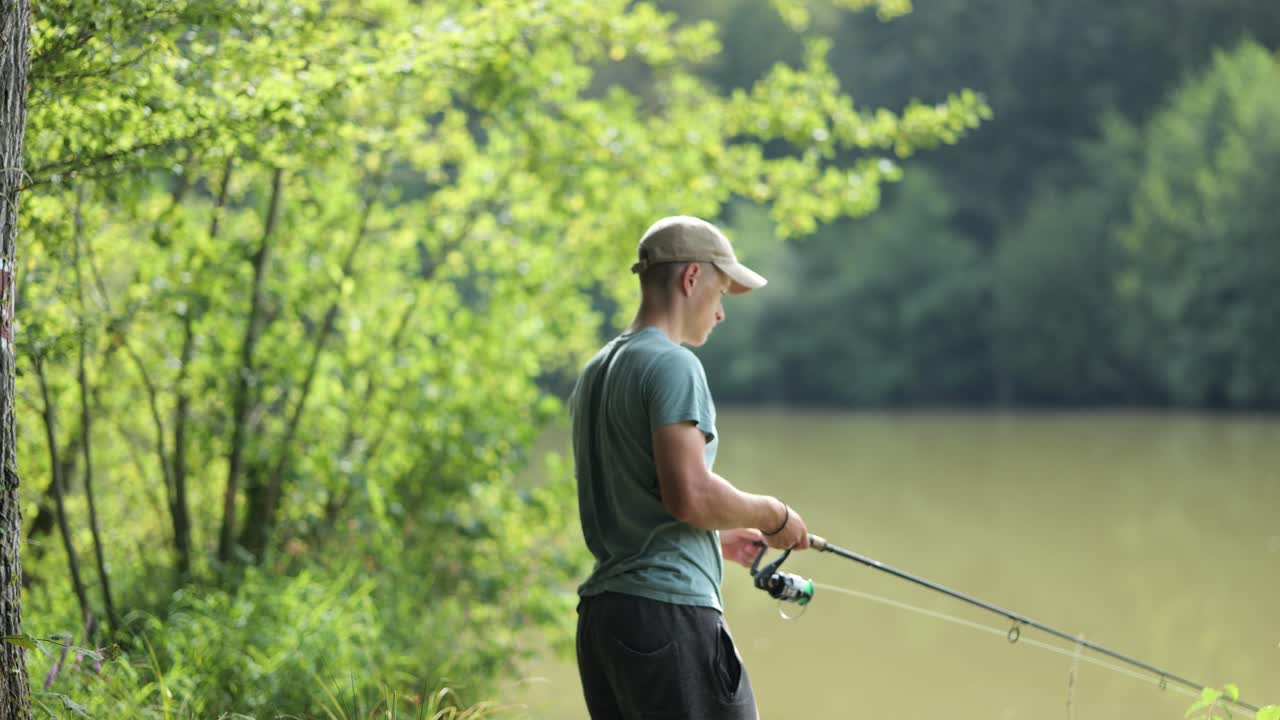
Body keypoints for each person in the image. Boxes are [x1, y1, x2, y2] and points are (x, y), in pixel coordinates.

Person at [569, 215, 810, 720]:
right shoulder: (673, 364)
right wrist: (773, 514)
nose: (721, 313)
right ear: (691, 278)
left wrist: (714, 541)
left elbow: (639, 498)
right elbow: (691, 497)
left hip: (605, 621)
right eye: (721, 292)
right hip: (667, 618)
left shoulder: (597, 371)